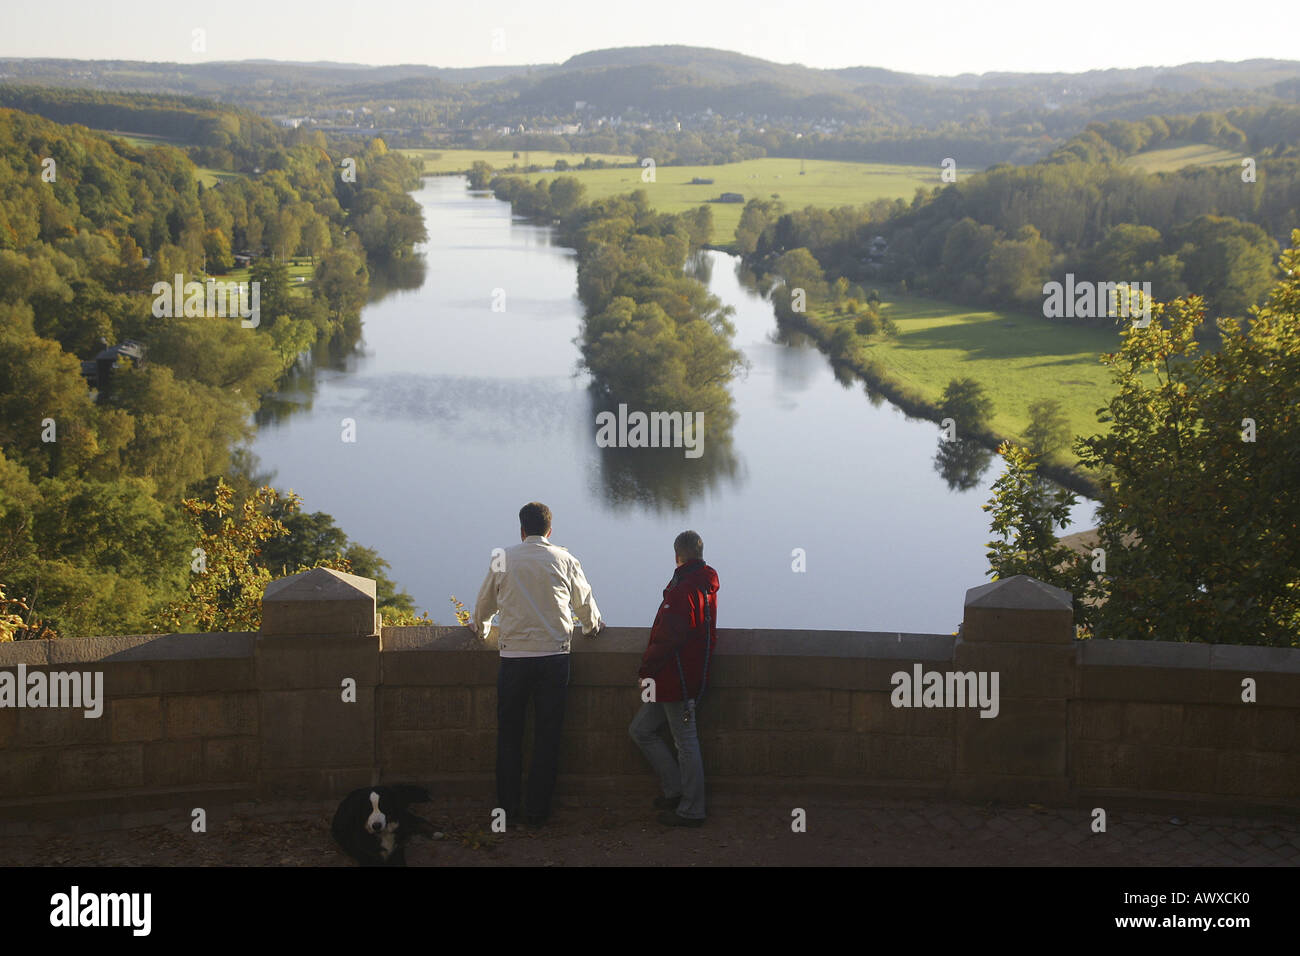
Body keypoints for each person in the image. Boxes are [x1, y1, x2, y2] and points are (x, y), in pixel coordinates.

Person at [468, 502, 603, 827]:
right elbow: (585, 605)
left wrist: (482, 629)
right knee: (547, 736)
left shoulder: (503, 558)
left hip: (513, 658)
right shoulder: (565, 559)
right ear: (550, 531)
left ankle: (507, 807)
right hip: (553, 658)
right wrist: (591, 626)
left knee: (509, 735)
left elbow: (484, 606)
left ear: (521, 530)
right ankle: (537, 811)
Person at [629, 530, 719, 828]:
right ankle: (675, 790)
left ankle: (692, 809)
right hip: (685, 675)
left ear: (677, 555)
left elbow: (668, 638)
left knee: (686, 742)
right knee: (641, 730)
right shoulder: (704, 584)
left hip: (675, 678)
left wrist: (646, 672)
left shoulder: (683, 590)